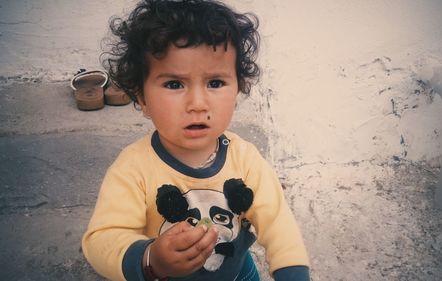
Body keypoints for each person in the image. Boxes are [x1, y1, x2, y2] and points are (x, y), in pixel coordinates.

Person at [82, 0, 310, 280]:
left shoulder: (246, 160)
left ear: (239, 87)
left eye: (215, 83)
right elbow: (102, 239)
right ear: (141, 97)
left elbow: (277, 222)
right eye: (174, 84)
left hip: (237, 273)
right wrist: (151, 258)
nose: (197, 104)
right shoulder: (133, 170)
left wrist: (293, 271)